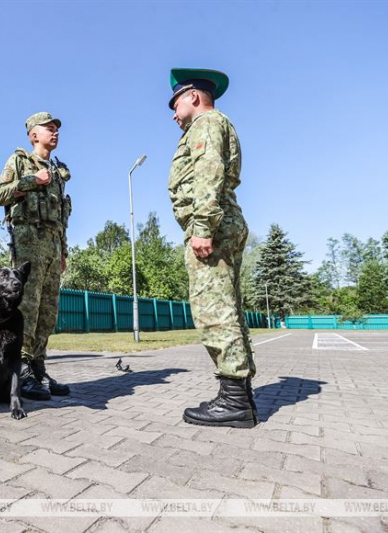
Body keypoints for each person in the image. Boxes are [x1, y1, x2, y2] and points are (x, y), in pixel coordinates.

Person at [166, 68, 258, 428]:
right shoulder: (213, 124)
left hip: (212, 226)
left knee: (213, 309)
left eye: (175, 103)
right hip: (223, 221)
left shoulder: (205, 123)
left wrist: (202, 227)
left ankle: (234, 400)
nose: (174, 114)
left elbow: (209, 171)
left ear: (192, 96)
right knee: (228, 307)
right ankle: (240, 395)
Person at [0, 112, 72, 400]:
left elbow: (61, 215)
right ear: (33, 135)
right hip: (28, 243)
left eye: (56, 129)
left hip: (52, 246)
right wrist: (31, 181)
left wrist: (63, 251)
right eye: (49, 128)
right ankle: (21, 369)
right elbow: (0, 194)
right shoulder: (19, 162)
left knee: (48, 311)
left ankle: (38, 366)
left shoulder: (57, 171)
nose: (55, 132)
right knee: (27, 307)